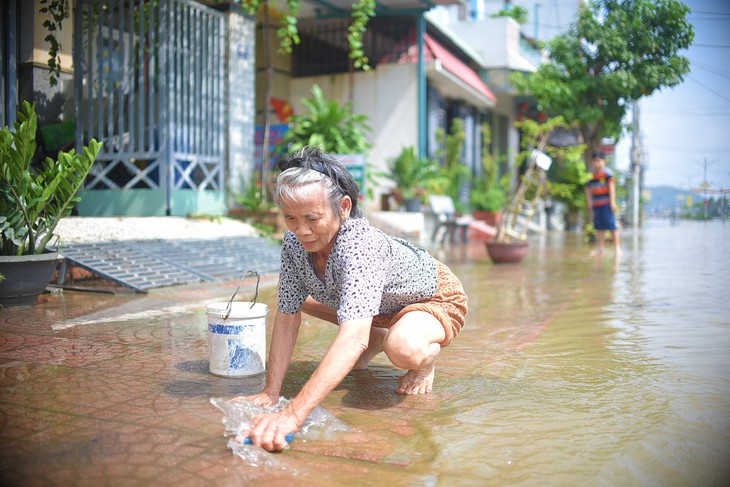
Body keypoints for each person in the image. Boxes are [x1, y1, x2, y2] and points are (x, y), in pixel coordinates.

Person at [239, 146, 468, 452]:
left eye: (312, 218)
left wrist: (293, 414)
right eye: (290, 218)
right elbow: (287, 315)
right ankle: (375, 332)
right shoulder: (294, 242)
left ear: (344, 207)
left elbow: (350, 339)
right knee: (292, 297)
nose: (302, 230)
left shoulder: (361, 246)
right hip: (381, 306)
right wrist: (272, 391)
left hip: (433, 298)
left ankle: (425, 359)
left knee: (402, 349)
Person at [585, 151, 621, 256]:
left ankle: (617, 249)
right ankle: (600, 249)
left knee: (612, 226)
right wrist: (589, 202)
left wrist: (612, 202)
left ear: (603, 162)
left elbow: (611, 188)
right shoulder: (591, 175)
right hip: (596, 204)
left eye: (599, 161)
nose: (596, 163)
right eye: (594, 161)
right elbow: (588, 189)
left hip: (606, 204)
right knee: (599, 227)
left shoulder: (607, 174)